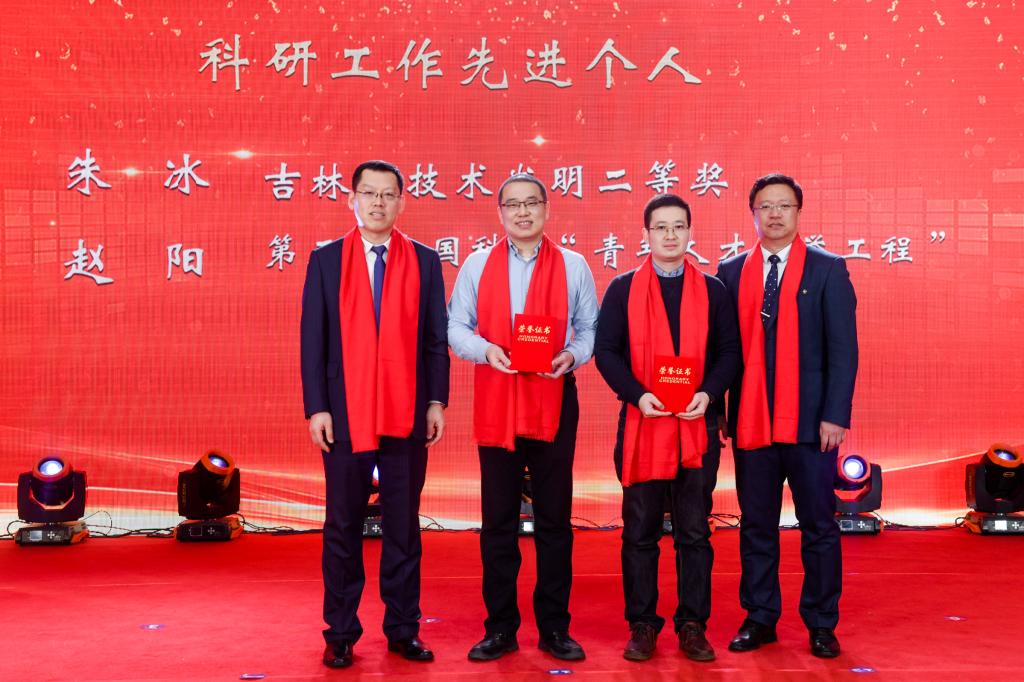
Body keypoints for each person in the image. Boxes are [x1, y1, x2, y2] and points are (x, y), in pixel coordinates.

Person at [300, 160, 450, 669]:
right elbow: (313, 341)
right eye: (369, 193)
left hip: (407, 411)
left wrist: (436, 401)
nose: (378, 203)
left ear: (402, 202)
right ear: (353, 199)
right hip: (344, 413)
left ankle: (404, 629)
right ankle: (340, 632)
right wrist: (317, 408)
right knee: (343, 524)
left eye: (388, 194)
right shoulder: (325, 261)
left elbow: (435, 339)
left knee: (403, 525)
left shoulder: (425, 262)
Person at [448, 173, 599, 662]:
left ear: (547, 209)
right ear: (500, 213)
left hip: (555, 396)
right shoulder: (476, 264)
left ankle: (555, 628)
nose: (523, 212)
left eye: (531, 202)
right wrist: (485, 350)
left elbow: (589, 328)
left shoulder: (573, 265)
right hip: (498, 397)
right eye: (512, 204)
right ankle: (500, 628)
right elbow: (456, 326)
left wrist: (571, 356)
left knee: (554, 519)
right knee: (498, 521)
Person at [716, 173, 858, 659]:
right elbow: (724, 350)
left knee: (818, 525)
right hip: (751, 420)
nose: (774, 214)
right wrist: (721, 408)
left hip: (811, 424)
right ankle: (760, 617)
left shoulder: (828, 268)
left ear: (799, 212)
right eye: (765, 206)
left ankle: (821, 622)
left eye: (784, 206)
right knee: (756, 525)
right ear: (752, 214)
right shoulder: (731, 271)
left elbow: (843, 350)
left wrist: (835, 414)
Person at [594, 194, 740, 662]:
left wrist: (709, 395)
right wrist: (637, 395)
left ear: (690, 232)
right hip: (643, 422)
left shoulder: (714, 290)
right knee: (639, 531)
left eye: (678, 226)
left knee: (694, 532)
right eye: (661, 227)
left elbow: (730, 353)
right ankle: (642, 624)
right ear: (646, 235)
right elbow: (606, 352)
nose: (670, 235)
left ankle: (693, 624)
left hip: (697, 425)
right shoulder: (622, 289)